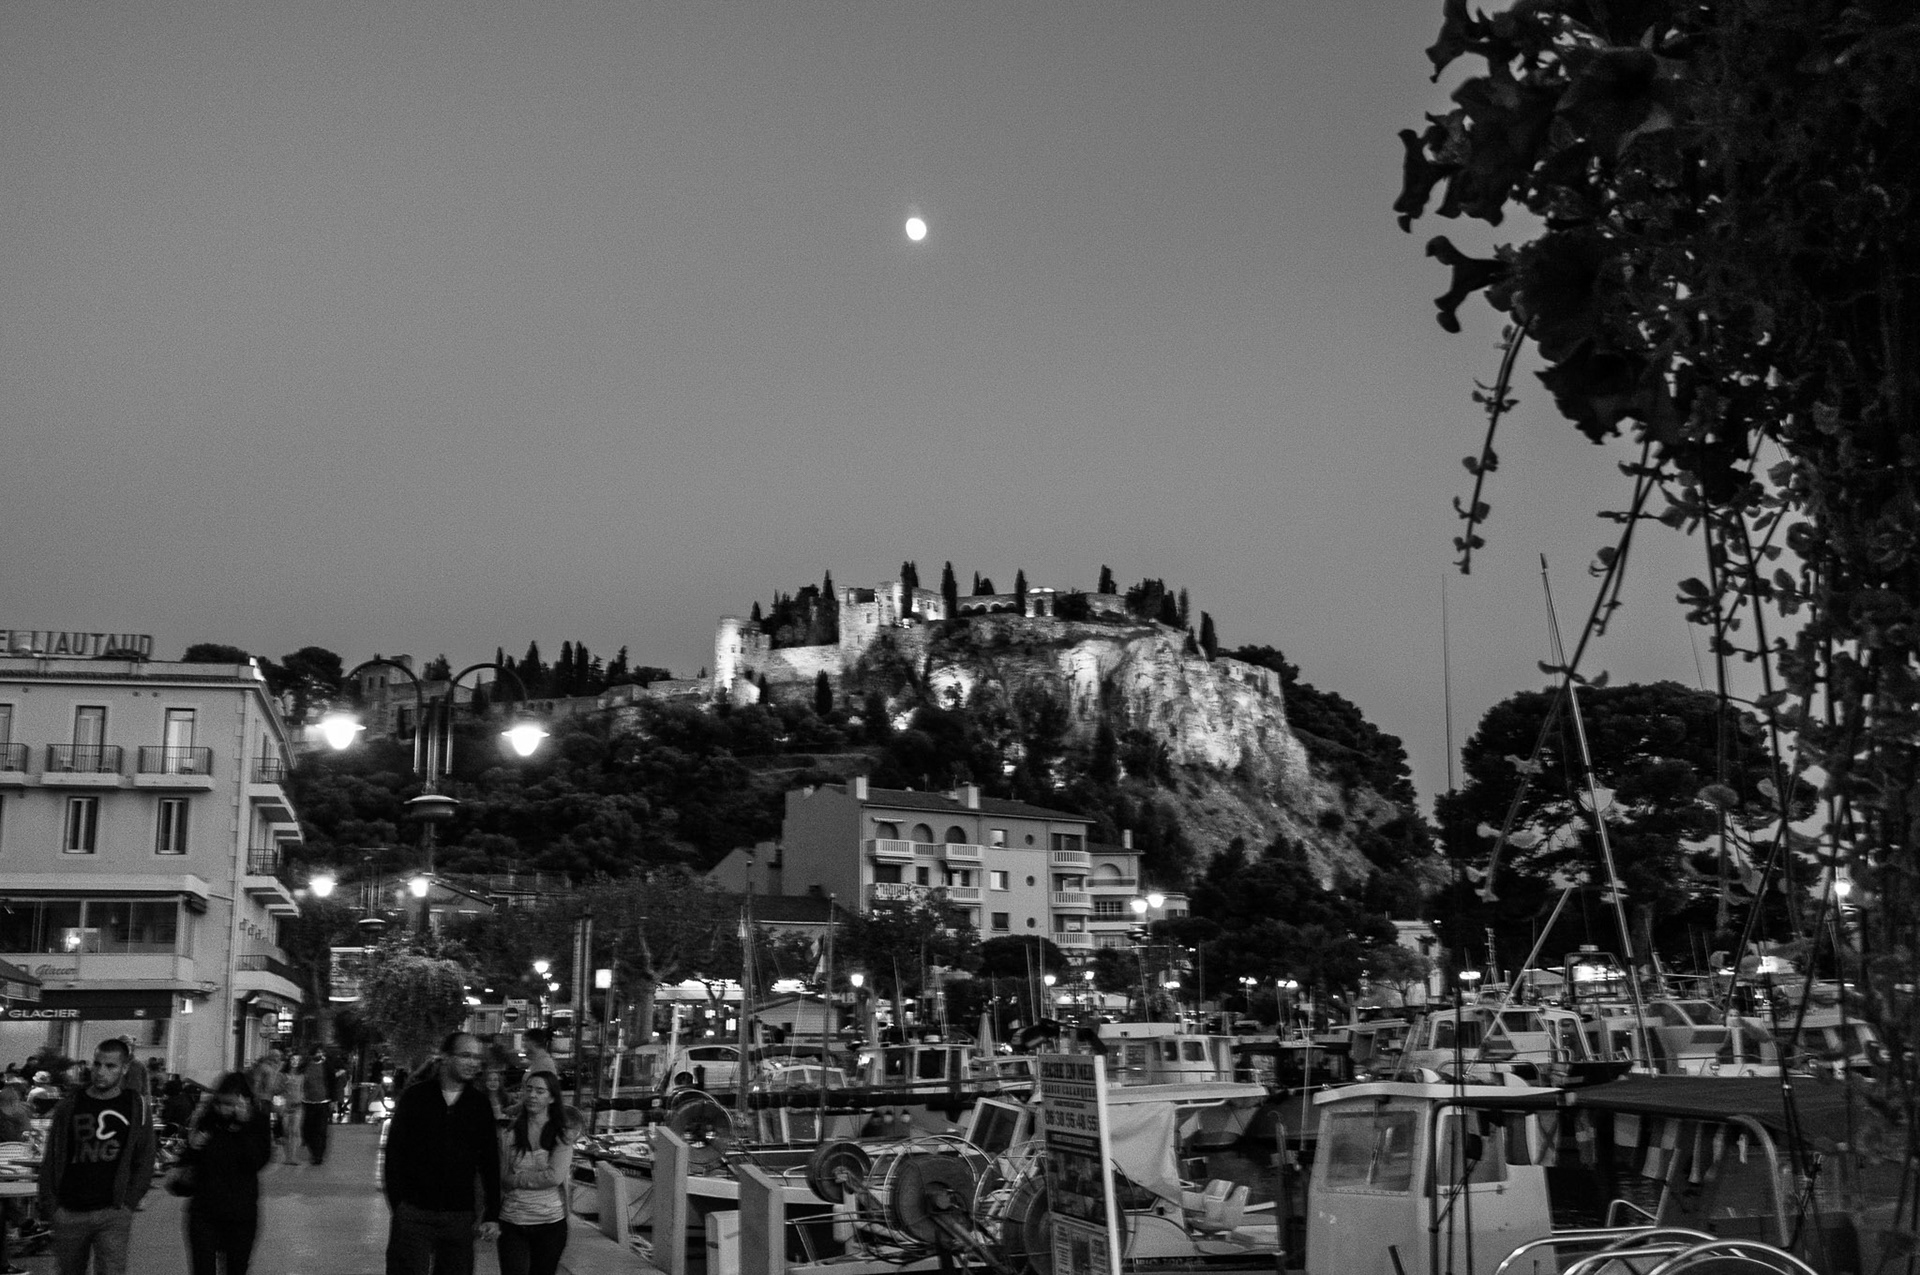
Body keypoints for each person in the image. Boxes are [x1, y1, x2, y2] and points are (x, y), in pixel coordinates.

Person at [382, 1032, 502, 1275]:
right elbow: (394, 1154)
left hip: (459, 1217)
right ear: (445, 1057)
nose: (473, 1063)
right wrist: (400, 1205)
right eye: (465, 1055)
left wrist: (492, 1213)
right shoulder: (416, 1098)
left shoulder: (478, 1105)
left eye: (477, 1058)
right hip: (414, 1213)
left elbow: (490, 1161)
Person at [37, 1038, 155, 1275]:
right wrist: (52, 1206)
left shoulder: (135, 1106)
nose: (101, 1072)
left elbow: (145, 1157)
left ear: (124, 1068)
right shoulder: (71, 1104)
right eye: (97, 1064)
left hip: (112, 1210)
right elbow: (53, 1154)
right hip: (69, 1209)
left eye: (110, 1066)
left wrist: (128, 1202)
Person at [180, 1073, 272, 1275]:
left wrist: (242, 1126)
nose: (223, 1109)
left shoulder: (258, 1123)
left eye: (229, 1104)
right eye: (219, 1103)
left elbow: (256, 1161)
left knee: (235, 1269)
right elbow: (186, 1162)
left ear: (245, 1101)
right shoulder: (209, 1120)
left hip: (241, 1216)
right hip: (204, 1213)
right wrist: (193, 1148)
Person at [495, 1071, 575, 1275]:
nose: (532, 1095)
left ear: (552, 1097)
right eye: (528, 1089)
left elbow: (554, 1177)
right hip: (512, 1221)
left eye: (540, 1091)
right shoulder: (510, 1133)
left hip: (550, 1223)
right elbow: (503, 1177)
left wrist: (517, 1179)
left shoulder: (562, 1133)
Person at [1, 1083, 31, 1275]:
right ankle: (24, 1222)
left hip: (4, 1169)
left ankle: (23, 1222)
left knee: (3, 1203)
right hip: (16, 1166)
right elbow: (26, 1137)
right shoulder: (19, 1113)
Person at [299, 1053, 332, 1166]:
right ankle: (312, 1150)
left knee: (320, 1130)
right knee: (308, 1129)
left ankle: (318, 1156)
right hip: (308, 1102)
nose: (319, 1055)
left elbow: (332, 1082)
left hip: (323, 1102)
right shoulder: (305, 1066)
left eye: (321, 1053)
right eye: (316, 1052)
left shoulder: (326, 1066)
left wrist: (334, 1100)